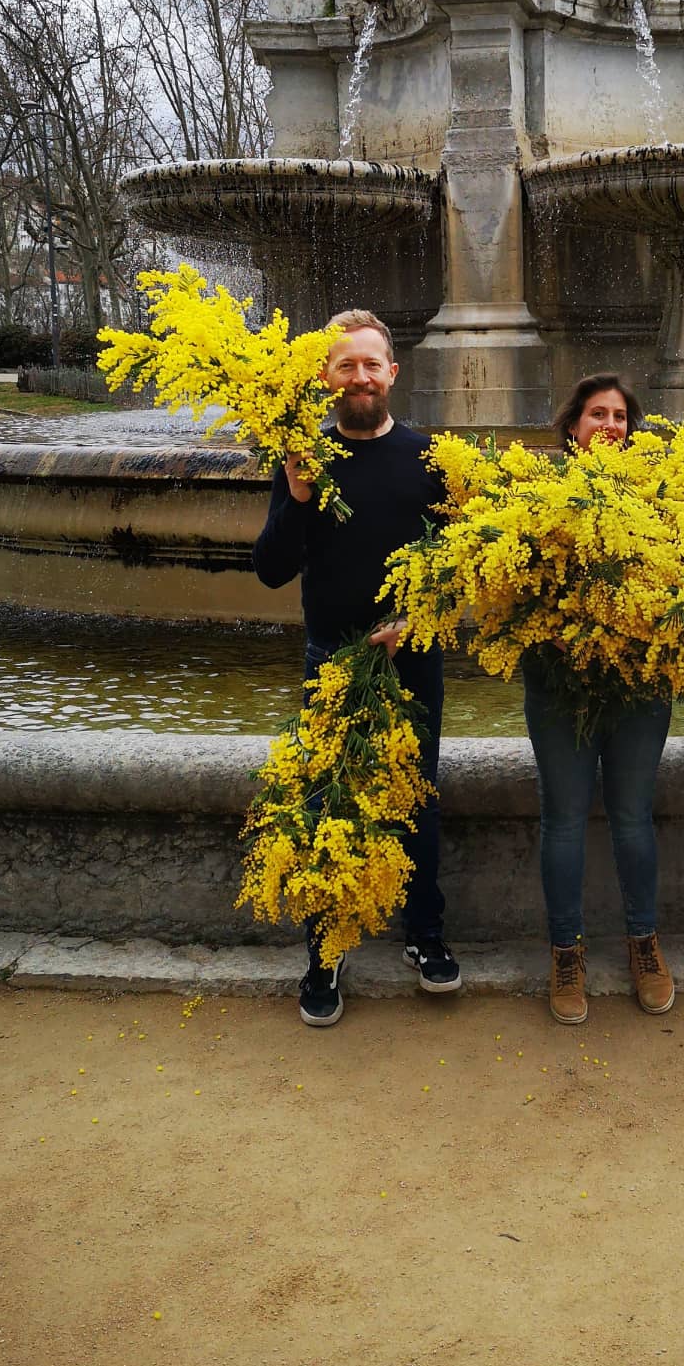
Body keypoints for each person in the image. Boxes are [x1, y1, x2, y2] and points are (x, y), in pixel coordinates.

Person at [253, 309, 460, 1027]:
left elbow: (458, 571)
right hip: (330, 661)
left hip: (414, 659)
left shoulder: (431, 460)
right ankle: (325, 952)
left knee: (415, 800)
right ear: (326, 377)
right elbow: (271, 570)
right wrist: (300, 498)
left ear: (392, 374)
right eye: (347, 366)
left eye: (371, 364)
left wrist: (418, 621)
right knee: (326, 803)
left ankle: (424, 935)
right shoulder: (304, 461)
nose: (361, 377)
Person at [523, 373, 675, 1026]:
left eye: (620, 416)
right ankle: (566, 953)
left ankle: (643, 942)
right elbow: (505, 583)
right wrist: (553, 629)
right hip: (558, 678)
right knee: (562, 818)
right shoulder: (533, 495)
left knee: (633, 817)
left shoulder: (664, 496)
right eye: (598, 414)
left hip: (641, 680)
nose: (610, 425)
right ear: (573, 428)